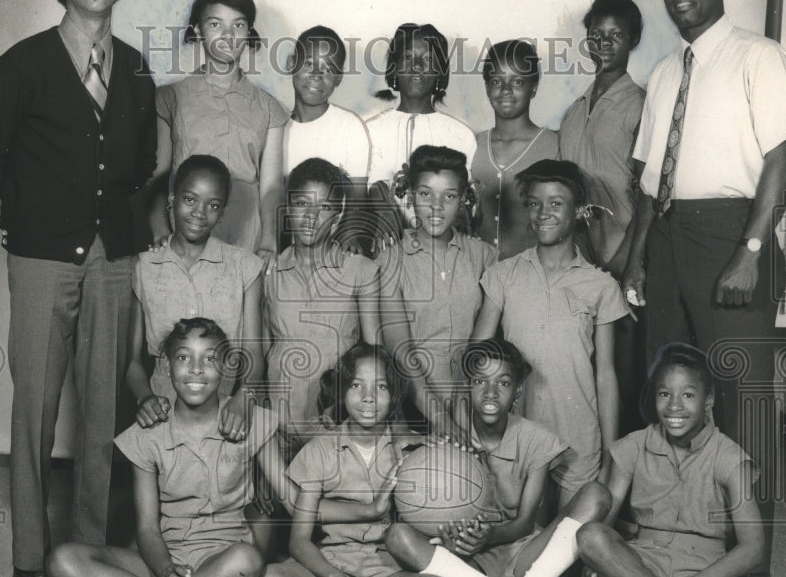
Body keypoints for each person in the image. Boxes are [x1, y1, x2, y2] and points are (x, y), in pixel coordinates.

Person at [0, 0, 156, 577]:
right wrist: (25, 227)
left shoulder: (133, 69)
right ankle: (29, 562)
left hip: (115, 261)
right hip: (43, 261)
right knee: (36, 413)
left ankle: (90, 551)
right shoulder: (23, 65)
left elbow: (141, 168)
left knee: (106, 412)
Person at [622, 0, 786, 577]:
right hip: (666, 241)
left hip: (731, 233)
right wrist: (638, 257)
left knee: (743, 397)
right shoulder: (667, 72)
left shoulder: (760, 56)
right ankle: (676, 544)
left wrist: (751, 250)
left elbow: (784, 159)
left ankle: (750, 567)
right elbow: (648, 182)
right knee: (669, 396)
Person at [22, 319, 287, 577]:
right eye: (183, 358)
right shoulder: (148, 435)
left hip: (222, 558)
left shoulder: (252, 420)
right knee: (63, 561)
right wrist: (163, 568)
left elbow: (289, 496)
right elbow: (147, 527)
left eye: (210, 358)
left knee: (247, 562)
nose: (196, 370)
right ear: (167, 365)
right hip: (167, 556)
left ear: (227, 366)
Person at [385, 338, 611, 577]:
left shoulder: (536, 439)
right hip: (466, 561)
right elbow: (424, 508)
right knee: (398, 536)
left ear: (517, 391)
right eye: (480, 381)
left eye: (503, 382)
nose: (491, 393)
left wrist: (491, 535)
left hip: (519, 553)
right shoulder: (452, 432)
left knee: (596, 494)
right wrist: (450, 536)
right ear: (468, 387)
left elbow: (522, 523)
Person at [561, 343, 773, 577]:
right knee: (590, 535)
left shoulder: (729, 458)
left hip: (704, 572)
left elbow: (753, 548)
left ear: (708, 401)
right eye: (664, 394)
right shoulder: (634, 445)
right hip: (642, 566)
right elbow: (602, 528)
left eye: (688, 395)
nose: (674, 407)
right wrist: (595, 571)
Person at [251, 343, 457, 577]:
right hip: (329, 563)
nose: (368, 398)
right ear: (342, 391)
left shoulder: (411, 450)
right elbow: (299, 540)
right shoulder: (319, 450)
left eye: (381, 387)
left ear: (395, 394)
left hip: (386, 570)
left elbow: (422, 529)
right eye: (356, 385)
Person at [472, 160, 628, 510]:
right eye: (534, 203)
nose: (543, 213)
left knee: (569, 544)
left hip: (578, 435)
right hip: (518, 433)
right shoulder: (503, 275)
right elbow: (477, 357)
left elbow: (605, 376)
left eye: (556, 203)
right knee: (524, 534)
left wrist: (609, 455)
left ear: (580, 211)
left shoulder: (601, 286)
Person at [558, 0, 647, 435]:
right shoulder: (574, 112)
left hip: (625, 263)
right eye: (597, 35)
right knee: (587, 375)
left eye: (616, 35)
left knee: (626, 378)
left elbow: (651, 193)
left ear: (633, 39)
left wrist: (625, 262)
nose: (605, 43)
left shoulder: (642, 105)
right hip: (581, 265)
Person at [151, 0, 289, 259]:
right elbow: (159, 176)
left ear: (248, 32)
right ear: (199, 29)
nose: (228, 35)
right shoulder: (169, 98)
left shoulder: (269, 108)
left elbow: (271, 186)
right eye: (216, 24)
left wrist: (268, 243)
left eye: (238, 25)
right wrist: (159, 230)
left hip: (245, 242)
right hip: (184, 239)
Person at [125, 154, 264, 419]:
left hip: (225, 410)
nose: (199, 213)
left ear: (222, 213)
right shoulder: (143, 267)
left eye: (212, 205)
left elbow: (254, 354)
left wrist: (242, 400)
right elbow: (132, 363)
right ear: (171, 200)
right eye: (190, 199)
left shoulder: (245, 267)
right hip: (162, 411)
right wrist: (146, 399)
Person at [379, 145, 495, 439]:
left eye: (450, 196)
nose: (436, 206)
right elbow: (402, 352)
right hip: (414, 406)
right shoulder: (390, 260)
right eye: (425, 193)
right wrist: (442, 421)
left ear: (464, 199)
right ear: (410, 195)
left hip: (475, 402)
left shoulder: (485, 257)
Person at [263, 158, 381, 444]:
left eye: (324, 207)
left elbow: (374, 354)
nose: (312, 216)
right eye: (303, 204)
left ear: (338, 216)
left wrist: (343, 408)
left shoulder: (361, 270)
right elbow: (262, 349)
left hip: (339, 427)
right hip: (279, 426)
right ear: (288, 208)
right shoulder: (267, 271)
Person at [365, 23, 476, 248]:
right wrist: (380, 204)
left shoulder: (460, 135)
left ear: (438, 72)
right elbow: (357, 190)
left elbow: (468, 201)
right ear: (394, 68)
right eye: (408, 58)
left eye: (427, 60)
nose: (416, 67)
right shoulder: (369, 130)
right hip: (384, 250)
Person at [282, 25, 371, 253]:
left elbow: (357, 198)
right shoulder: (275, 127)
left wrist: (348, 235)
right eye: (309, 63)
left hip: (333, 249)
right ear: (292, 63)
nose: (316, 76)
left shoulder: (350, 127)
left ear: (338, 79)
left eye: (328, 69)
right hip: (285, 251)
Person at [472, 39, 560, 260]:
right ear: (486, 87)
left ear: (534, 88)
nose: (506, 90)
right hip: (478, 276)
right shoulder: (473, 144)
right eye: (497, 82)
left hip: (533, 278)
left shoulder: (553, 145)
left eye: (518, 82)